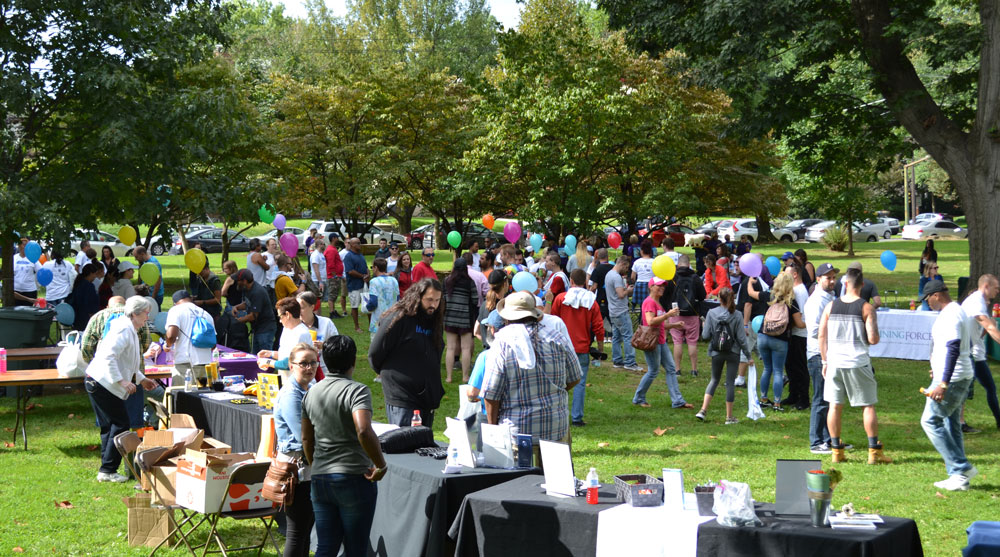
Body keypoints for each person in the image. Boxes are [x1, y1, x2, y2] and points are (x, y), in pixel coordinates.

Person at [302, 336, 388, 557]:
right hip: (353, 478)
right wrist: (380, 465)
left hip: (321, 478)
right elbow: (363, 430)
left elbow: (307, 439)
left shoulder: (311, 392)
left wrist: (317, 465)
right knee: (355, 548)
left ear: (323, 361)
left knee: (325, 547)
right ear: (353, 362)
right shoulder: (357, 391)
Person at [481, 291, 582, 467]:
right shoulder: (557, 336)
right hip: (556, 429)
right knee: (560, 490)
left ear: (507, 318)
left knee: (520, 490)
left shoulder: (502, 342)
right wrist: (553, 393)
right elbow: (575, 377)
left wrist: (493, 430)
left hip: (518, 436)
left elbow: (491, 393)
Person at [819, 266, 890, 465]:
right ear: (863, 285)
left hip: (834, 362)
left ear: (845, 283)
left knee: (834, 406)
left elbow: (822, 335)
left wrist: (824, 360)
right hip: (857, 362)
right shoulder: (866, 307)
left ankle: (836, 450)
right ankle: (874, 451)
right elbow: (873, 339)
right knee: (868, 405)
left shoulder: (830, 306)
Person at [84, 296, 158, 482]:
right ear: (135, 313)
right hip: (100, 382)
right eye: (146, 314)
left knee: (112, 425)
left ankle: (106, 469)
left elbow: (130, 363)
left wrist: (142, 380)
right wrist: (121, 381)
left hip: (101, 382)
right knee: (121, 424)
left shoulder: (130, 328)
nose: (147, 318)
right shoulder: (123, 328)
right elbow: (108, 357)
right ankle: (108, 470)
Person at [368, 278, 445, 428]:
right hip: (402, 397)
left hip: (427, 397)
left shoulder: (435, 319)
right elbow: (375, 353)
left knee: (424, 446)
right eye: (429, 300)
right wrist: (391, 375)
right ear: (418, 297)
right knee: (404, 443)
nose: (433, 305)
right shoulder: (399, 318)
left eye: (437, 300)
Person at [922, 279, 975, 489]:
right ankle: (958, 477)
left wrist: (943, 383)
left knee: (930, 421)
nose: (927, 303)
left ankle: (961, 467)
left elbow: (954, 347)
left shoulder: (952, 314)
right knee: (950, 424)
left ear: (936, 295)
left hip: (952, 379)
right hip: (955, 375)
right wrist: (937, 367)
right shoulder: (954, 311)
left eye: (927, 299)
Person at [273, 342, 317, 557]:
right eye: (303, 364)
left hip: (307, 467)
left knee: (306, 529)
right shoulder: (291, 394)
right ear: (291, 366)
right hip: (296, 469)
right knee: (297, 531)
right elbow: (303, 435)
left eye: (313, 363)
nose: (309, 368)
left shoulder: (309, 388)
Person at [551, 269, 604, 426]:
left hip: (561, 346)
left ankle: (556, 413)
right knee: (580, 383)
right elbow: (599, 327)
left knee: (558, 382)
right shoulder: (591, 302)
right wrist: (600, 348)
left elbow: (553, 321)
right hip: (581, 347)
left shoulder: (561, 299)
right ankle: (577, 417)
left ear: (571, 281)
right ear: (584, 282)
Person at [749, 272, 805, 411]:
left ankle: (763, 399)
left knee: (767, 369)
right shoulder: (791, 301)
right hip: (780, 340)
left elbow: (751, 293)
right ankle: (777, 403)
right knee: (778, 371)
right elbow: (799, 324)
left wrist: (750, 282)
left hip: (763, 336)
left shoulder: (768, 296)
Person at [632, 277, 691, 409]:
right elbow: (651, 321)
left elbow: (661, 324)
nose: (662, 288)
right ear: (651, 287)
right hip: (652, 342)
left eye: (663, 286)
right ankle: (638, 398)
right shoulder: (649, 302)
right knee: (653, 371)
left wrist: (675, 325)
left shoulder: (657, 303)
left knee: (671, 369)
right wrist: (668, 315)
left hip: (660, 341)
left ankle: (677, 401)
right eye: (659, 286)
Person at [697, 287, 753, 424]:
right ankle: (729, 417)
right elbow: (741, 338)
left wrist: (705, 325)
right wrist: (748, 355)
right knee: (730, 383)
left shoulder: (711, 313)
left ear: (719, 299)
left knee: (714, 380)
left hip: (716, 351)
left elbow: (705, 336)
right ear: (732, 298)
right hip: (733, 352)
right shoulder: (737, 314)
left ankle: (703, 410)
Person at [804, 263, 839, 454]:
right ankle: (816, 441)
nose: (832, 281)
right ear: (818, 279)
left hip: (829, 353)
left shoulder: (830, 297)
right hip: (818, 354)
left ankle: (830, 439)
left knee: (829, 398)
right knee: (820, 398)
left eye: (834, 277)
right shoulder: (816, 301)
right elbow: (815, 331)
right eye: (828, 277)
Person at [959, 274, 1000, 430]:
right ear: (986, 286)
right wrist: (991, 326)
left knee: (965, 388)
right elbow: (989, 328)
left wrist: (990, 324)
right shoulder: (976, 302)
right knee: (964, 388)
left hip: (971, 351)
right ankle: (957, 423)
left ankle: (959, 422)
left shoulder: (980, 302)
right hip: (966, 352)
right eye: (996, 288)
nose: (998, 292)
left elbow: (983, 330)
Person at [164, 290, 215, 383]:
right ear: (190, 299)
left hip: (185, 364)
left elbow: (171, 336)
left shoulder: (175, 310)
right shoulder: (207, 314)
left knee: (182, 396)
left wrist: (167, 345)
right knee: (201, 396)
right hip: (205, 364)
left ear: (175, 303)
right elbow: (213, 344)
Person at [668, 254, 706, 377]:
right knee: (692, 342)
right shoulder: (695, 277)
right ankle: (694, 369)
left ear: (678, 265)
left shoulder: (672, 277)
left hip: (676, 313)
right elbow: (702, 296)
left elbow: (666, 295)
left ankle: (677, 369)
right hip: (692, 313)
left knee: (677, 341)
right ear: (689, 264)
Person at [258, 297, 314, 378]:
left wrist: (268, 362)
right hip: (286, 381)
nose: (280, 321)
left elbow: (290, 363)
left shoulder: (301, 334)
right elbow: (286, 354)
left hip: (300, 383)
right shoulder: (286, 329)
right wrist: (270, 354)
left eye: (280, 317)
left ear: (287, 314)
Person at [443, 258, 478, 383]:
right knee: (466, 348)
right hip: (465, 318)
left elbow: (443, 298)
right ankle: (465, 376)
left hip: (449, 317)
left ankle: (449, 377)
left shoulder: (446, 281)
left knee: (451, 348)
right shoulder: (470, 282)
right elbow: (475, 300)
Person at [782, 262, 811, 410]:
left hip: (800, 335)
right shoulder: (796, 289)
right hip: (794, 333)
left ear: (794, 275)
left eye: (787, 274)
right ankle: (793, 394)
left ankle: (803, 399)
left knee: (799, 367)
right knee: (791, 366)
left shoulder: (799, 291)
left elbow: (798, 315)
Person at [606, 256, 641, 371]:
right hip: (620, 311)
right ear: (622, 264)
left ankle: (617, 360)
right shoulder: (616, 277)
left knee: (616, 337)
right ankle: (630, 362)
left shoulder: (609, 274)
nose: (626, 270)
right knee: (628, 336)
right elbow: (621, 294)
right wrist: (629, 291)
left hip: (612, 311)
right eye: (626, 267)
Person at [231, 269, 278, 354]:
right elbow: (248, 303)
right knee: (256, 356)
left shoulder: (257, 292)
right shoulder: (247, 289)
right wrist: (236, 307)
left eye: (238, 281)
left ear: (244, 281)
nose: (236, 283)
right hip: (257, 328)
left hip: (265, 328)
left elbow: (253, 316)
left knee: (265, 355)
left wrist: (238, 320)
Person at [296, 291, 339, 379]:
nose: (298, 311)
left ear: (312, 307)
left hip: (324, 369)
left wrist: (324, 345)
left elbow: (337, 346)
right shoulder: (295, 327)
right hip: (301, 372)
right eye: (296, 308)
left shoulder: (326, 323)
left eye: (302, 308)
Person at [342, 238, 370, 333]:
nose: (359, 244)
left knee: (368, 305)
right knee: (355, 306)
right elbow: (350, 271)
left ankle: (371, 325)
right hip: (354, 286)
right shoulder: (348, 256)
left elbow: (365, 267)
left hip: (364, 284)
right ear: (352, 245)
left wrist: (368, 274)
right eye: (357, 243)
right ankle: (357, 327)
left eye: (360, 243)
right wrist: (363, 276)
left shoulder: (361, 255)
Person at [367, 258, 400, 337]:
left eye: (373, 267)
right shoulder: (394, 280)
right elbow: (398, 298)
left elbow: (373, 302)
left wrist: (367, 307)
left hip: (379, 319)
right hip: (392, 318)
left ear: (376, 268)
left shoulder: (374, 281)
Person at [475, 270, 507, 350]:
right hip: (500, 352)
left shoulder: (484, 304)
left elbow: (476, 331)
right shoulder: (504, 306)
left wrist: (486, 341)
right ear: (504, 284)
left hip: (486, 352)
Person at [70, 264, 102, 330]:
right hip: (86, 317)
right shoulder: (88, 286)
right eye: (95, 274)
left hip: (77, 316)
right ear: (90, 274)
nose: (95, 277)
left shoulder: (79, 283)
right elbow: (89, 302)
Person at [12, 236, 42, 306]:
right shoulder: (14, 258)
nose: (25, 247)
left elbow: (41, 271)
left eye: (27, 245)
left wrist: (38, 284)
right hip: (16, 291)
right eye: (23, 244)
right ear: (19, 245)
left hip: (30, 291)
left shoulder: (33, 258)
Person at [589, 248, 615, 320]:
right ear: (607, 256)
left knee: (599, 320)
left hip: (601, 298)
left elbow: (594, 287)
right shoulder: (613, 268)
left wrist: (590, 294)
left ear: (598, 257)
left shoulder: (597, 269)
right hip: (612, 298)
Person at [324, 237, 345, 318]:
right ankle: (332, 312)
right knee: (332, 294)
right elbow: (330, 263)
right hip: (333, 277)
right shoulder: (331, 250)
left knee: (334, 294)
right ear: (333, 239)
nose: (338, 239)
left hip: (336, 276)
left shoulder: (333, 249)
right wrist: (334, 275)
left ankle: (333, 311)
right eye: (337, 238)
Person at [630, 240, 655, 307]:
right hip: (651, 286)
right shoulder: (655, 262)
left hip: (640, 285)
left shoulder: (637, 262)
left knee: (643, 306)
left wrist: (634, 283)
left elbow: (632, 277)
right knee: (651, 304)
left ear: (641, 251)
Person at [308, 237, 327, 310]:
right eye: (323, 244)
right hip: (317, 280)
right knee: (317, 299)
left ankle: (318, 313)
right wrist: (320, 282)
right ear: (319, 245)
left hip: (322, 279)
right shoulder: (315, 255)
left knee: (320, 300)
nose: (324, 246)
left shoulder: (321, 254)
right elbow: (316, 270)